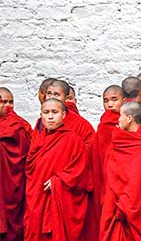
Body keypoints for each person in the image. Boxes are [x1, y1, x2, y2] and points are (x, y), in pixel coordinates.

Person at [24, 99, 90, 241]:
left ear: (64, 115)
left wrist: (59, 180)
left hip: (61, 199)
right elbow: (30, 170)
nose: (50, 117)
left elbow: (80, 172)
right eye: (46, 113)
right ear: (41, 115)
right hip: (37, 197)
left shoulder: (73, 140)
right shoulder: (38, 140)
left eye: (55, 112)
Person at [101, 102, 141, 240]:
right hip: (113, 198)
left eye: (121, 116)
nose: (118, 120)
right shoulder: (118, 141)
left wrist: (125, 203)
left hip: (135, 203)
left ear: (129, 118)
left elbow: (140, 178)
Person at [0, 87, 32, 241]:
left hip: (16, 186)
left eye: (11, 102)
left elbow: (30, 155)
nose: (8, 106)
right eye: (4, 102)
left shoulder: (21, 126)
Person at [90, 85, 126, 216]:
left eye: (114, 99)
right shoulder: (104, 124)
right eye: (106, 101)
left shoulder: (129, 122)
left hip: (120, 174)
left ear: (124, 100)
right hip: (103, 173)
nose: (110, 104)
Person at [41, 80, 95, 145]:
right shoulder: (41, 122)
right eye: (49, 94)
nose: (52, 97)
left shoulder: (81, 124)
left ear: (66, 98)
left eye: (56, 94)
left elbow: (90, 148)